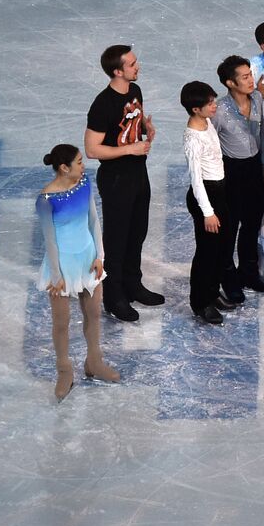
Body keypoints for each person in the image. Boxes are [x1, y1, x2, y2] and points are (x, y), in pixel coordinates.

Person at [84, 44, 161, 323]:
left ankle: (132, 283)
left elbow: (130, 128)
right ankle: (113, 296)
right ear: (117, 71)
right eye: (131, 64)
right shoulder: (103, 103)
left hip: (138, 174)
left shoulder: (134, 91)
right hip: (116, 179)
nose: (137, 66)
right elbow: (92, 149)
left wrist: (145, 129)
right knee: (117, 239)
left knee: (137, 232)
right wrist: (129, 150)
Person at [36, 144, 119, 400]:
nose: (84, 165)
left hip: (88, 259)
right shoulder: (46, 200)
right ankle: (64, 371)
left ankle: (94, 361)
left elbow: (94, 220)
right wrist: (57, 276)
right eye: (80, 162)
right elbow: (49, 240)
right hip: (61, 266)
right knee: (61, 323)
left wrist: (99, 256)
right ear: (64, 167)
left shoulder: (84, 184)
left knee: (93, 313)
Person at [213, 55, 264, 301]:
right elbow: (211, 145)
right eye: (245, 77)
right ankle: (228, 278)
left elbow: (262, 134)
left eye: (250, 75)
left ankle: (249, 272)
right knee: (230, 227)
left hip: (253, 170)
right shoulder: (218, 110)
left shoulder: (257, 98)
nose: (251, 81)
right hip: (231, 172)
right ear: (230, 83)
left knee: (252, 223)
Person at [181, 81, 232, 325]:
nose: (214, 105)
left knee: (220, 249)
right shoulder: (193, 139)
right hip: (206, 198)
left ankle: (212, 292)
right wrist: (208, 213)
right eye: (209, 103)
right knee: (206, 253)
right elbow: (196, 179)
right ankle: (200, 302)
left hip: (219, 191)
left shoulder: (207, 122)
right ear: (195, 109)